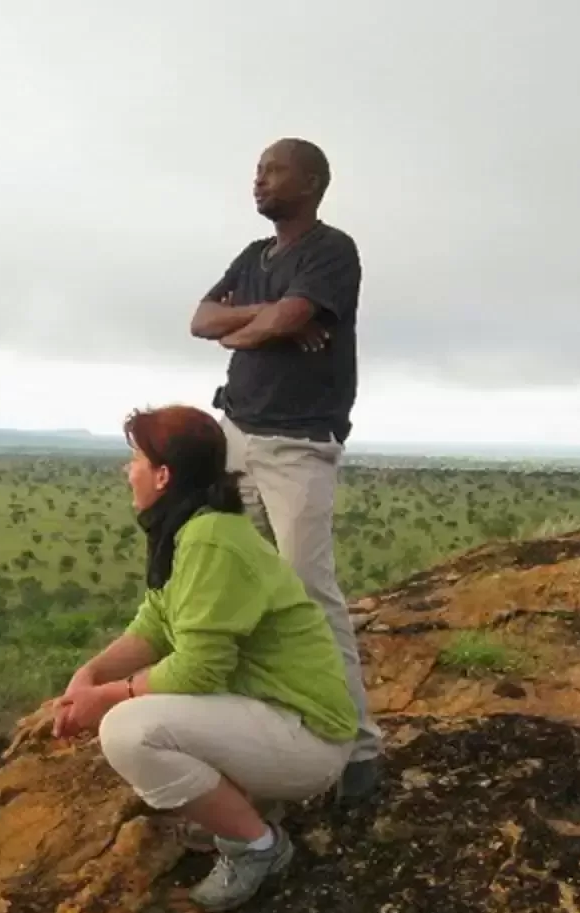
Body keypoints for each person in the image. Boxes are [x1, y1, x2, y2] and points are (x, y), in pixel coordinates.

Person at [52, 405, 359, 913]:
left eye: (135, 459)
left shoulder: (209, 540)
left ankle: (257, 847)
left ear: (163, 474)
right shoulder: (190, 530)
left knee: (128, 730)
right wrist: (88, 675)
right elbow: (153, 623)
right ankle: (244, 804)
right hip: (272, 716)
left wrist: (105, 699)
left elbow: (199, 668)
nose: (127, 471)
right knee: (133, 715)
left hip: (307, 736)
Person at [188, 137, 382, 802]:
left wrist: (266, 324)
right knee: (231, 581)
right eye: (257, 170)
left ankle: (358, 748)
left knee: (307, 590)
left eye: (274, 170)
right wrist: (260, 321)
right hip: (236, 435)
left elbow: (292, 316)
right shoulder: (252, 257)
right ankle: (253, 725)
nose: (259, 180)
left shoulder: (332, 250)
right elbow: (200, 320)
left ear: (312, 182)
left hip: (300, 445)